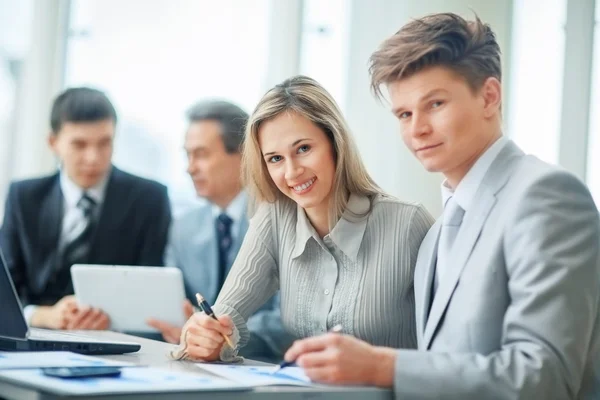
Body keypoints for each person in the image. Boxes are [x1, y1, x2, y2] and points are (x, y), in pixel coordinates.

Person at [282, 12, 600, 399]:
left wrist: (383, 365)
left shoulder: (547, 197)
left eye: (434, 104)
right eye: (404, 114)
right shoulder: (436, 234)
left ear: (489, 96)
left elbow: (543, 376)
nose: (416, 129)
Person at [173, 75, 434, 362]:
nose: (291, 172)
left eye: (303, 149)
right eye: (275, 158)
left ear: (336, 143)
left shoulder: (409, 224)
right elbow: (225, 315)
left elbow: (447, 357)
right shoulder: (274, 218)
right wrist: (206, 335)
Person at [0, 87, 171, 331]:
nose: (93, 157)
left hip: (114, 335)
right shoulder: (24, 197)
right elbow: (6, 286)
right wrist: (42, 315)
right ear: (53, 142)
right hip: (39, 331)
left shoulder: (149, 199)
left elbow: (150, 286)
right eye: (79, 145)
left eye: (104, 143)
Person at [147, 100, 291, 361]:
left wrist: (222, 338)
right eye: (187, 155)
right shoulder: (184, 227)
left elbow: (289, 317)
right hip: (195, 364)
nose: (190, 168)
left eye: (201, 154)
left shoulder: (284, 218)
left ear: (244, 155)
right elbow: (178, 302)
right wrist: (191, 330)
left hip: (262, 365)